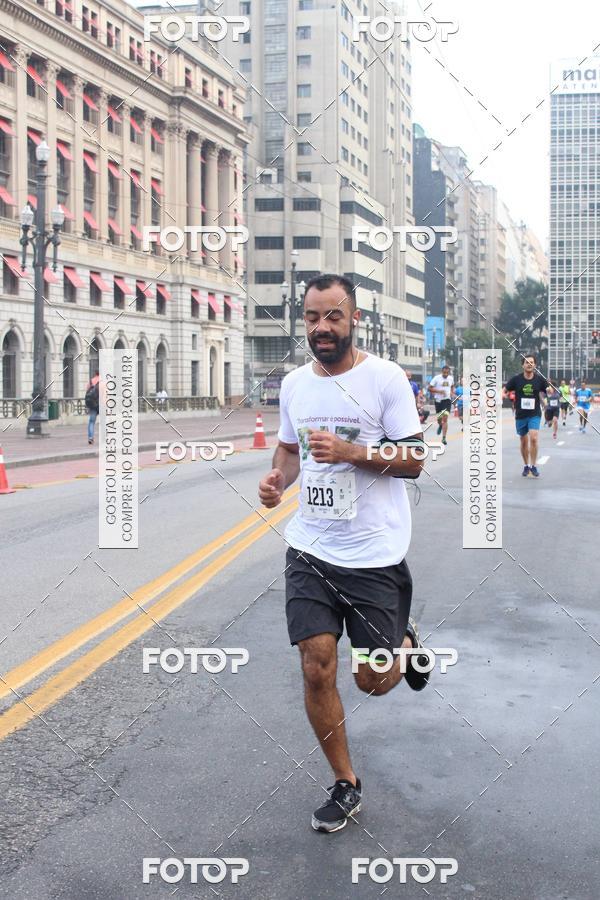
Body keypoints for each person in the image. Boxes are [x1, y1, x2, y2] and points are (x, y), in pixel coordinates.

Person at [258, 273, 428, 834]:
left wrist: (353, 451)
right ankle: (345, 783)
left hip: (374, 552)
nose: (321, 328)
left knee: (372, 681)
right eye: (311, 317)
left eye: (333, 316)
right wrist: (278, 482)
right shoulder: (294, 385)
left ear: (354, 318)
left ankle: (403, 641)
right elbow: (288, 450)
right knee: (316, 666)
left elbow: (414, 459)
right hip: (311, 547)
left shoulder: (385, 379)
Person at [503, 354, 549, 477]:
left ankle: (533, 466)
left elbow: (548, 389)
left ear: (535, 365)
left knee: (533, 438)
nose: (529, 364)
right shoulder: (516, 379)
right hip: (521, 414)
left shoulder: (539, 379)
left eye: (532, 362)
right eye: (527, 362)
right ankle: (526, 465)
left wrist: (549, 390)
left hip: (534, 414)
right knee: (523, 441)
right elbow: (505, 389)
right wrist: (502, 393)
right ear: (523, 365)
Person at [429, 364, 454, 445]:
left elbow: (452, 386)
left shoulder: (451, 378)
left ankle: (444, 438)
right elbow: (429, 388)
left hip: (447, 401)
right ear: (442, 371)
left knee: (445, 418)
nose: (446, 374)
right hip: (438, 401)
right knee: (439, 419)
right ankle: (440, 425)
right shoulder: (436, 378)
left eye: (447, 373)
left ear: (449, 372)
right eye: (444, 373)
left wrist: (451, 392)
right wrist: (439, 391)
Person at [84, 370, 100, 445]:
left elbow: (87, 392)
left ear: (95, 373)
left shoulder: (91, 381)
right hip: (101, 405)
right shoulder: (103, 382)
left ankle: (90, 438)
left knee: (91, 422)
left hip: (93, 405)